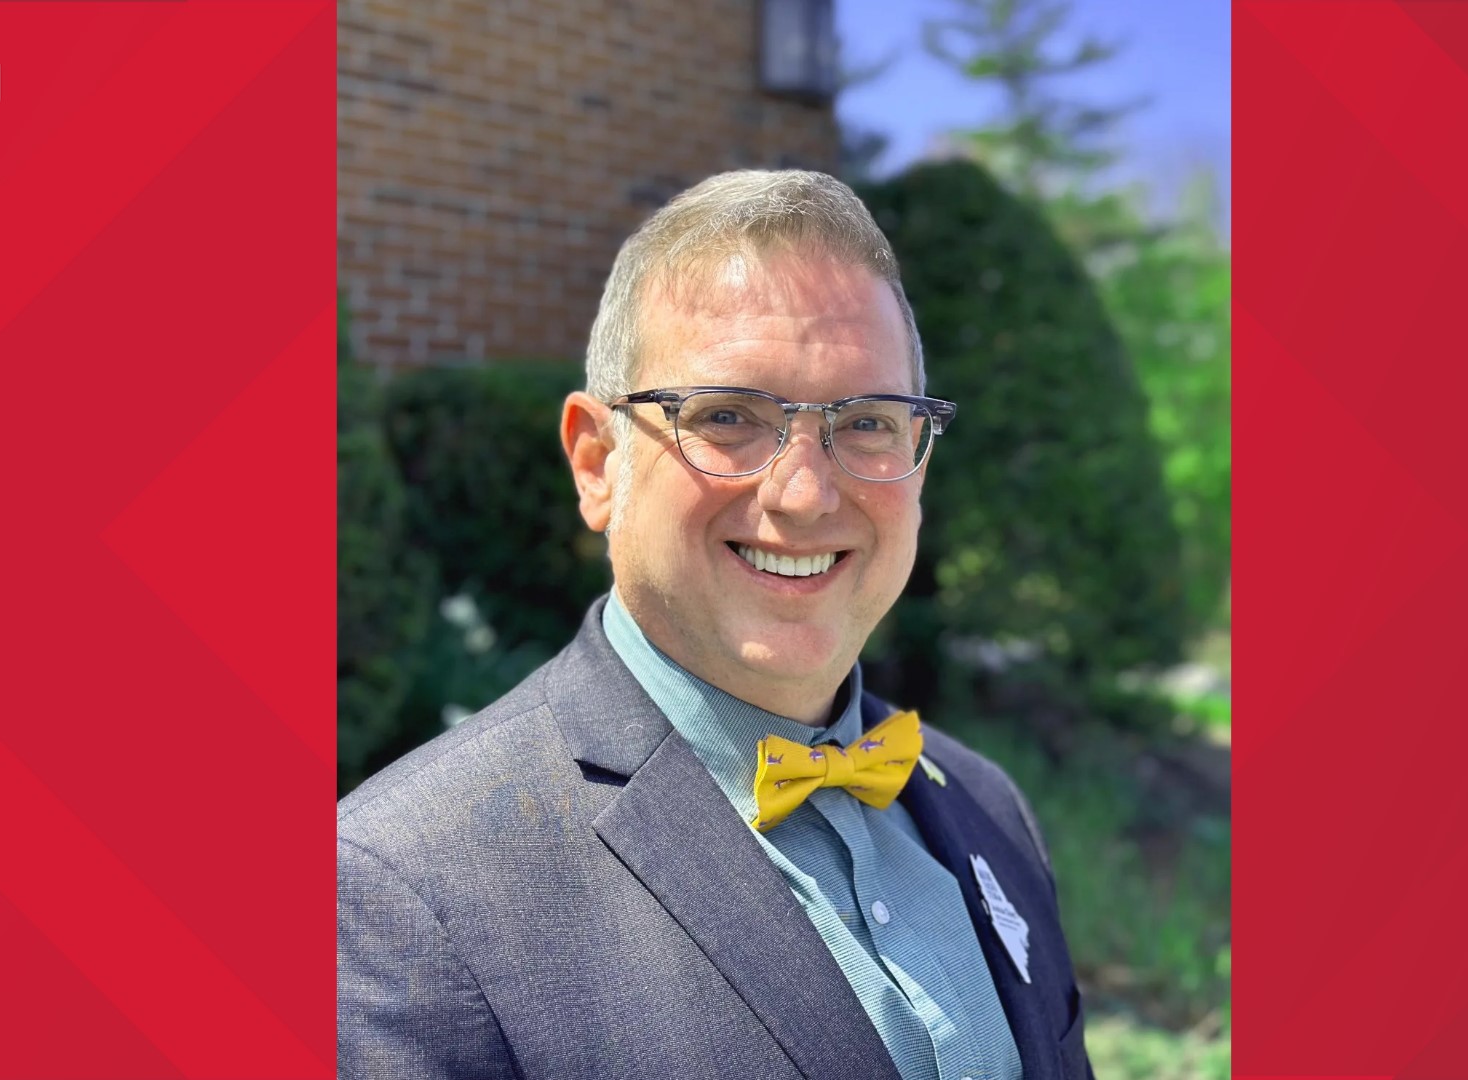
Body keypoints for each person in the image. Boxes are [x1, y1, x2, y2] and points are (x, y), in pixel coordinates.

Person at [337, 170, 1094, 1079]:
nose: (807, 495)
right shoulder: (401, 889)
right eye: (729, 416)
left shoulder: (988, 807)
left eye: (867, 422)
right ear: (596, 464)